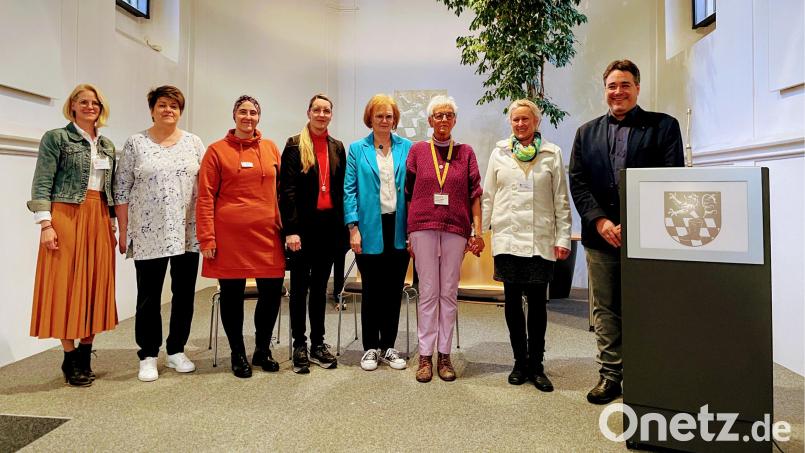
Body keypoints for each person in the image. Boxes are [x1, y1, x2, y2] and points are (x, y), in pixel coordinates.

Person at [569, 59, 683, 404]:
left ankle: (645, 373)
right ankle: (611, 375)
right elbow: (578, 181)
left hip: (648, 237)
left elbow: (670, 179)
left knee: (646, 307)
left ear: (637, 87)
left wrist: (633, 223)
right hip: (600, 238)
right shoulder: (586, 132)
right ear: (605, 90)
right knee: (605, 309)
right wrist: (600, 221)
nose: (618, 92)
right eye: (611, 86)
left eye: (625, 85)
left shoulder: (663, 127)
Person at [27, 83, 118, 387]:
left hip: (99, 216)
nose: (90, 106)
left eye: (95, 102)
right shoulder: (57, 138)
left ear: (100, 108)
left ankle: (85, 352)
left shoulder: (106, 145)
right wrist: (46, 224)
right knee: (65, 284)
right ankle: (69, 357)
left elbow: (111, 190)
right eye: (83, 101)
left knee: (95, 283)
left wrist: (114, 224)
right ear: (73, 106)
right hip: (66, 215)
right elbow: (42, 182)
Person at [114, 85, 206, 382]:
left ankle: (176, 349)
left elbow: (206, 187)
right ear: (152, 109)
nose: (169, 110)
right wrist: (123, 229)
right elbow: (121, 188)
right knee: (149, 296)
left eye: (174, 106)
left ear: (181, 111)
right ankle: (149, 354)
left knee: (184, 294)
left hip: (187, 231)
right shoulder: (136, 143)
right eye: (163, 105)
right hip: (147, 232)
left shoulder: (193, 143)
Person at [481, 99, 572, 392]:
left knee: (537, 304)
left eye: (526, 119)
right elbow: (488, 195)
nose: (521, 124)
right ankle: (519, 362)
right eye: (516, 120)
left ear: (536, 122)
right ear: (510, 122)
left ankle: (537, 364)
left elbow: (561, 199)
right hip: (507, 238)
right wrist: (479, 233)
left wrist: (563, 238)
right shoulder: (499, 152)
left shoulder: (552, 153)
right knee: (511, 303)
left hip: (539, 239)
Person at [196, 95, 285, 378]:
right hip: (229, 237)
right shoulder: (216, 151)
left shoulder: (270, 148)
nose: (248, 117)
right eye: (243, 112)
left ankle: (262, 349)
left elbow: (282, 192)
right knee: (232, 296)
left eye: (253, 112)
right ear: (234, 115)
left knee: (271, 294)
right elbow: (205, 196)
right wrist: (207, 238)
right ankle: (237, 353)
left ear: (259, 117)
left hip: (268, 235)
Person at [405, 95, 483, 383]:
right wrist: (407, 234)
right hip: (422, 227)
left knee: (448, 293)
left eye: (449, 115)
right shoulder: (417, 152)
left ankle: (444, 354)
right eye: (438, 115)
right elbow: (408, 194)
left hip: (455, 228)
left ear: (455, 120)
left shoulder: (466, 152)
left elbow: (475, 194)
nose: (443, 120)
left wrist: (477, 230)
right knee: (428, 292)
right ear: (429, 120)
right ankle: (425, 356)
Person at [343, 94, 412, 371]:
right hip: (369, 228)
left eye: (389, 116)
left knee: (393, 289)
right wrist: (353, 227)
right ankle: (370, 347)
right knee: (372, 289)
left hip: (399, 226)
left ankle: (389, 346)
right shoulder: (357, 149)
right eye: (379, 116)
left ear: (395, 120)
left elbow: (414, 189)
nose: (385, 120)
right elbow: (349, 190)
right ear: (370, 119)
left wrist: (414, 230)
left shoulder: (408, 147)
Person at [280, 94, 346, 374]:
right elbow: (287, 190)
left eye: (326, 110)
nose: (321, 114)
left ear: (331, 115)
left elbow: (342, 189)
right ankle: (299, 344)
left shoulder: (337, 146)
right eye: (317, 110)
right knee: (299, 289)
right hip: (302, 231)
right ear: (308, 112)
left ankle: (318, 343)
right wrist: (291, 230)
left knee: (320, 289)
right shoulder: (294, 144)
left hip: (328, 229)